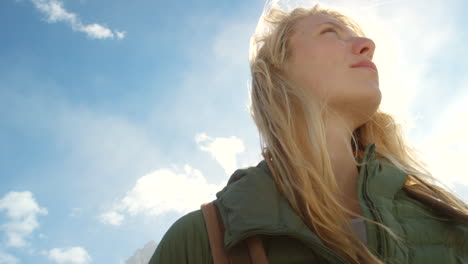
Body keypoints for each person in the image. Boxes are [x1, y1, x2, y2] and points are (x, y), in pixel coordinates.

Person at [149, 3, 468, 264]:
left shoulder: (450, 224)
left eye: (358, 38)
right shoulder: (202, 239)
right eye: (330, 32)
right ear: (277, 74)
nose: (367, 46)